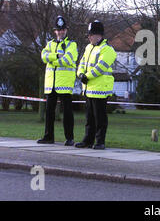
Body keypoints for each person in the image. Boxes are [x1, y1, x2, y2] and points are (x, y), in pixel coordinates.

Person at [75, 20, 116, 150]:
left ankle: (100, 141)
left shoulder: (107, 50)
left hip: (100, 88)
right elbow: (82, 63)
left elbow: (101, 67)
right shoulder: (88, 48)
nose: (89, 37)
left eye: (90, 34)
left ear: (98, 35)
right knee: (89, 118)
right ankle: (88, 140)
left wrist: (87, 76)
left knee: (100, 118)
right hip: (89, 88)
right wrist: (80, 74)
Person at [38, 16, 78, 146]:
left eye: (63, 30)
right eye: (58, 30)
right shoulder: (50, 44)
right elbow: (43, 57)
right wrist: (56, 56)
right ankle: (48, 136)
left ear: (66, 30)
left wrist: (52, 60)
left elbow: (67, 60)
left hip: (65, 83)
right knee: (49, 111)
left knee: (67, 112)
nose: (60, 32)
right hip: (51, 83)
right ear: (55, 31)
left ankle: (70, 138)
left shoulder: (72, 45)